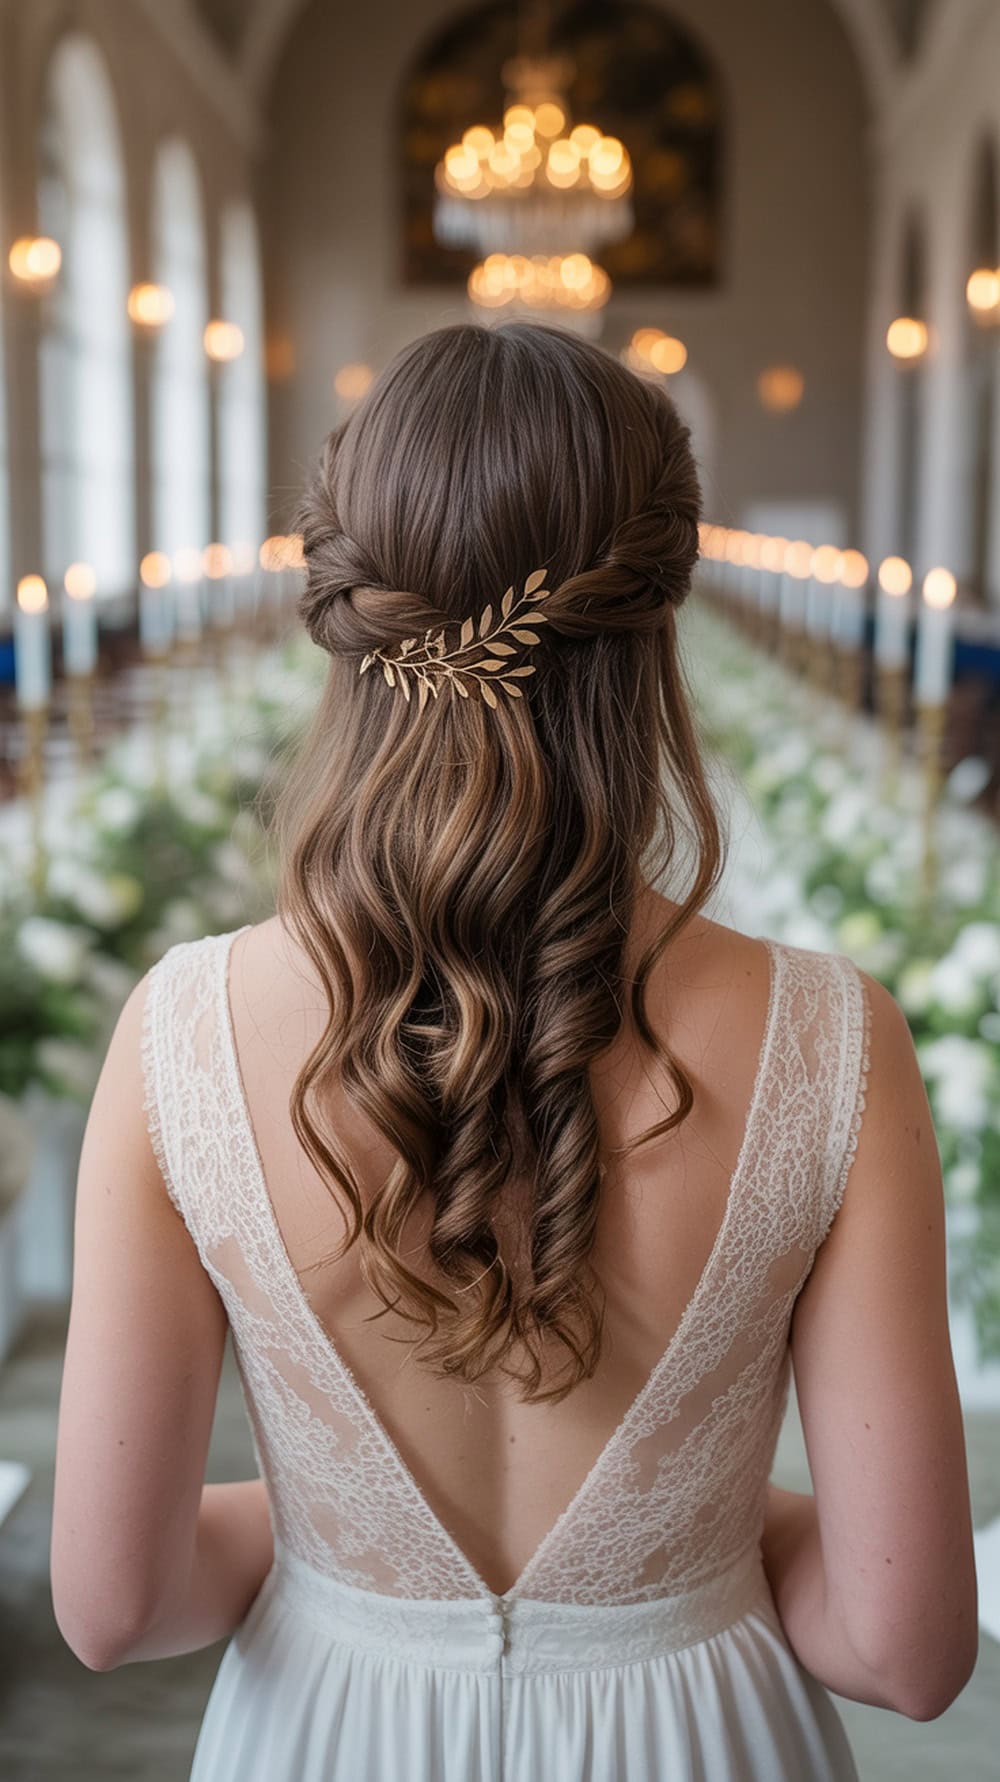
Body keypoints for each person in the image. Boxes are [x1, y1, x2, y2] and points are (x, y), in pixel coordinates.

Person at [51, 320, 978, 1780]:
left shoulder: (177, 1032)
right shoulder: (831, 1038)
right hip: (700, 1733)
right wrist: (708, 1524)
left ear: (344, 603)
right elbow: (904, 1647)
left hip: (328, 1728)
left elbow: (117, 1606)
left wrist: (326, 1535)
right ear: (660, 610)